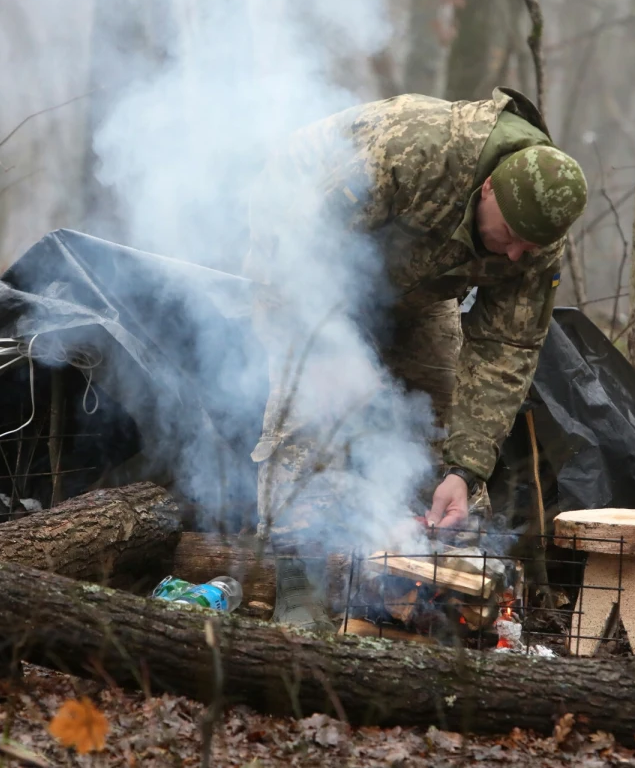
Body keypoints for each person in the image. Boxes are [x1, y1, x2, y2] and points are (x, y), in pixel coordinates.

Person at [244, 87, 588, 631]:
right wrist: (328, 349)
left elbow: (505, 350)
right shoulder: (413, 150)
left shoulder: (535, 233)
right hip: (303, 254)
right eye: (513, 237)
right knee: (310, 411)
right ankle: (298, 591)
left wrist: (464, 466)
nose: (518, 254)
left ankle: (442, 592)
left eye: (532, 247)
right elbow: (299, 246)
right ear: (488, 188)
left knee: (438, 412)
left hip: (415, 288)